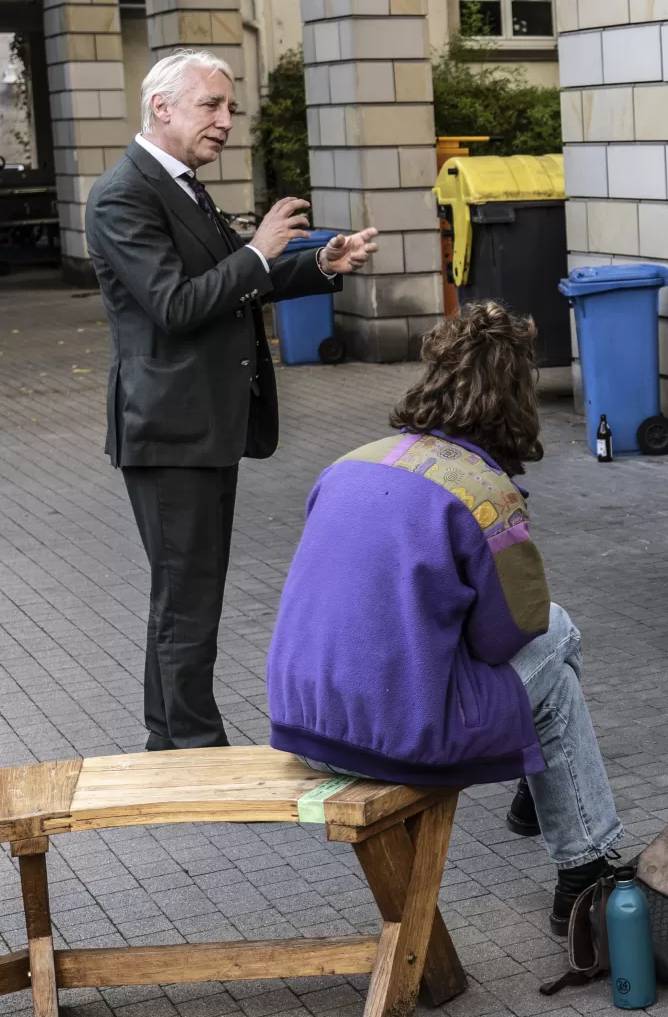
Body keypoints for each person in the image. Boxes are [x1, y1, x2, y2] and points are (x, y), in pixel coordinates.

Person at [265, 304, 621, 933]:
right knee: (559, 641)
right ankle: (583, 871)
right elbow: (506, 637)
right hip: (395, 732)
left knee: (550, 671)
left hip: (300, 717)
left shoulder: (351, 462)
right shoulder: (484, 492)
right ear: (518, 395)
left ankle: (543, 805)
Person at [88, 49, 378, 751]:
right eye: (211, 106)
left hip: (203, 426)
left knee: (189, 593)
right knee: (186, 596)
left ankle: (172, 739)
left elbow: (234, 280)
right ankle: (190, 746)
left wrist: (315, 263)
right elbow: (176, 304)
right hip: (168, 429)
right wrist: (256, 250)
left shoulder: (181, 185)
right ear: (162, 108)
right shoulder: (126, 193)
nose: (225, 121)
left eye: (229, 108)